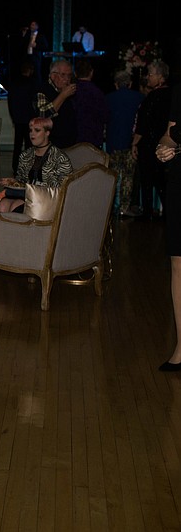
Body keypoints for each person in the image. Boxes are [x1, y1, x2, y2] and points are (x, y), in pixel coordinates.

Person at [0, 117, 73, 213]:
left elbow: (64, 188)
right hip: (27, 197)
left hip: (48, 200)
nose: (32, 134)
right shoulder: (26, 155)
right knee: (3, 204)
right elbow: (22, 181)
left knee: (16, 205)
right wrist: (13, 182)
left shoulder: (59, 157)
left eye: (37, 130)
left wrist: (29, 190)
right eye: (30, 130)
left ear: (47, 133)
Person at [156, 83, 181, 370]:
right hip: (179, 178)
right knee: (178, 261)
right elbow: (171, 131)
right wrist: (166, 146)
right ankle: (180, 346)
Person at [132, 59, 172, 221]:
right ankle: (167, 212)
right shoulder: (172, 94)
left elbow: (143, 123)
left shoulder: (153, 97)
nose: (147, 77)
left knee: (148, 179)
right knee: (161, 180)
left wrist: (134, 143)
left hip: (150, 144)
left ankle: (148, 212)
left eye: (150, 74)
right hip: (164, 143)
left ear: (161, 77)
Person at [106, 70, 145, 217]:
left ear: (116, 84)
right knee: (128, 177)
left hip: (113, 144)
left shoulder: (108, 98)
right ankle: (124, 207)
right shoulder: (139, 98)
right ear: (130, 83)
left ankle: (109, 208)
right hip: (131, 143)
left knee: (112, 176)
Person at [34, 58, 77, 149]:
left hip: (69, 145)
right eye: (63, 75)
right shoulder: (42, 90)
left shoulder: (68, 91)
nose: (67, 79)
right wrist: (63, 95)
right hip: (50, 147)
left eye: (69, 76)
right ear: (53, 76)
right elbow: (42, 115)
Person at [7, 59, 38, 174]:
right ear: (30, 70)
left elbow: (10, 101)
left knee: (17, 144)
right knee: (29, 145)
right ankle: (28, 167)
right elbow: (34, 102)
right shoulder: (32, 83)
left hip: (18, 118)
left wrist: (13, 116)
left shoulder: (14, 83)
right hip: (29, 118)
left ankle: (16, 166)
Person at [73, 59, 109, 147]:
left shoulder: (70, 91)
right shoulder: (97, 92)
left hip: (74, 139)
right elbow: (105, 116)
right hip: (93, 139)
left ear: (75, 73)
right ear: (91, 72)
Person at [22, 20, 49, 86]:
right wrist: (24, 35)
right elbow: (22, 44)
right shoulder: (28, 35)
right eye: (31, 25)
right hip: (28, 56)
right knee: (27, 73)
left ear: (37, 27)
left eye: (33, 25)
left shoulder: (41, 36)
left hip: (36, 57)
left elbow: (46, 47)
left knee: (36, 73)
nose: (31, 26)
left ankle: (38, 88)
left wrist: (37, 46)